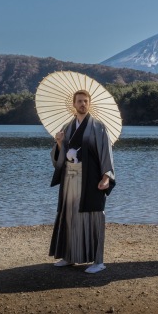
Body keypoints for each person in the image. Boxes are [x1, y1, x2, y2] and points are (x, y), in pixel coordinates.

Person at [49, 89, 116, 273]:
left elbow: (106, 154)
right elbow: (60, 159)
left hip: (90, 178)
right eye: (79, 101)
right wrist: (60, 143)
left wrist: (106, 177)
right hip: (70, 178)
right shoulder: (67, 127)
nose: (82, 104)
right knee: (69, 214)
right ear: (73, 104)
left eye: (85, 101)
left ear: (89, 103)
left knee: (94, 216)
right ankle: (69, 256)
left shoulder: (99, 127)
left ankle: (98, 261)